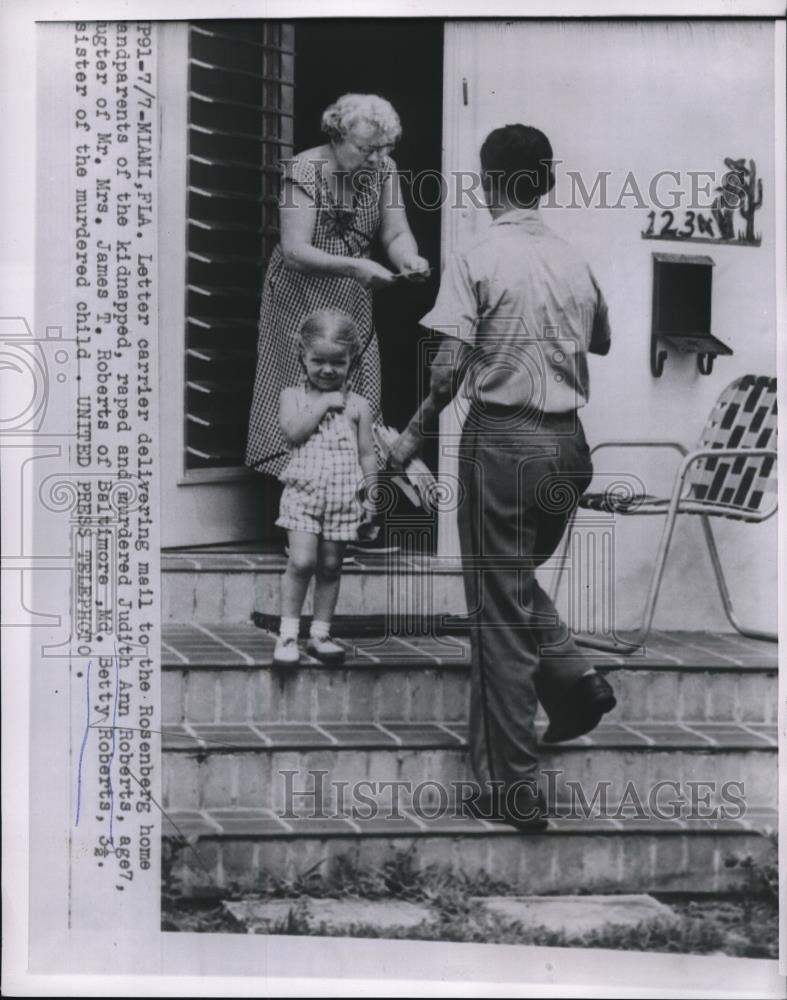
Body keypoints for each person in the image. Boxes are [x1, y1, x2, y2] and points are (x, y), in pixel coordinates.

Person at [389, 124, 616, 831]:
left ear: (487, 184)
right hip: (568, 450)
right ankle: (574, 684)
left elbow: (450, 369)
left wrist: (413, 433)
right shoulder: (573, 260)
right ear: (543, 181)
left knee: (498, 616)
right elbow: (599, 340)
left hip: (505, 446)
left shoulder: (479, 254)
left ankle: (510, 788)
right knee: (511, 582)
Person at [245, 93, 430, 494]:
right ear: (337, 136)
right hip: (299, 298)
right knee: (304, 391)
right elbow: (295, 251)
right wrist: (356, 266)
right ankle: (299, 510)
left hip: (351, 299)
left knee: (358, 395)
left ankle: (353, 507)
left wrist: (409, 259)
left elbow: (396, 233)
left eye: (385, 149)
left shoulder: (384, 171)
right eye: (366, 149)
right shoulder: (304, 169)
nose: (377, 158)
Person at [273, 310, 377, 667]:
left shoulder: (359, 405)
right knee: (302, 561)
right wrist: (321, 404)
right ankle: (288, 634)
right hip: (303, 495)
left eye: (338, 362)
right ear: (302, 355)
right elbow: (292, 433)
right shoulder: (293, 396)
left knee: (331, 566)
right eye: (319, 361)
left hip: (342, 499)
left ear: (352, 361)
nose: (328, 370)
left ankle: (320, 633)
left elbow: (366, 454)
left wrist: (371, 496)